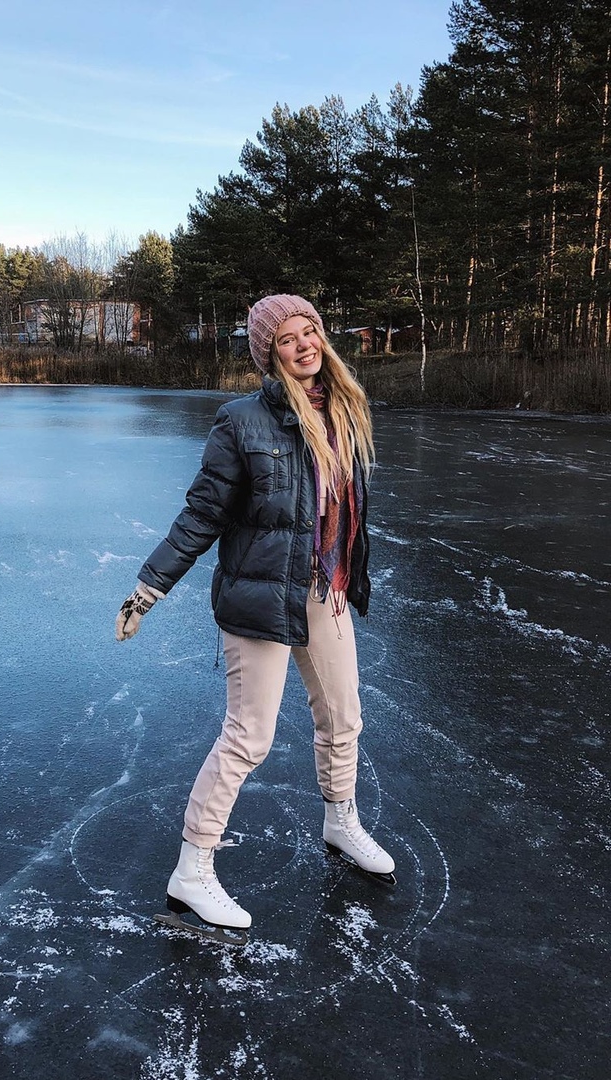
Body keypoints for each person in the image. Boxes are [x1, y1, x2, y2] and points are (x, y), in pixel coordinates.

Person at [115, 294, 394, 936]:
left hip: (323, 589)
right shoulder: (242, 421)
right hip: (260, 595)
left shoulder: (345, 411)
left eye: (309, 331)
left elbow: (345, 512)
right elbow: (203, 513)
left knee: (343, 718)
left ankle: (341, 822)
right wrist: (150, 586)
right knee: (249, 737)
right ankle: (191, 872)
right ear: (268, 355)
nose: (303, 345)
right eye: (286, 339)